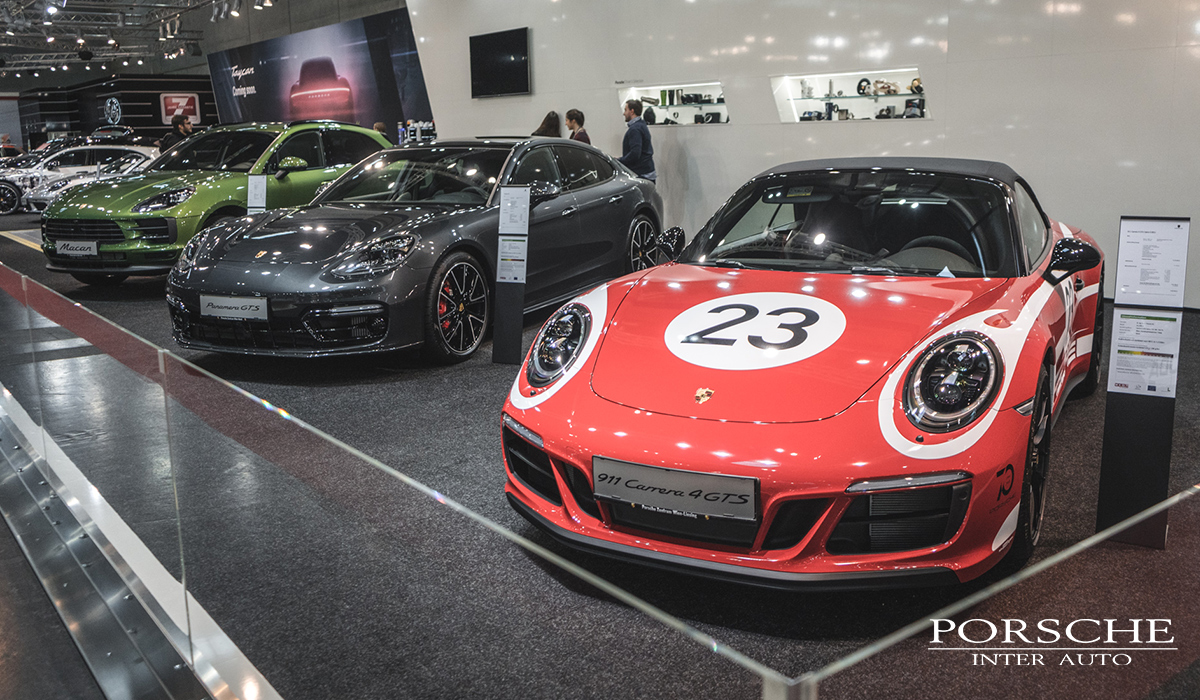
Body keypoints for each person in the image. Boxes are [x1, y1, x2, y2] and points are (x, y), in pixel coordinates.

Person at [618, 99, 655, 182]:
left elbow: (635, 153)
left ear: (632, 111)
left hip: (641, 174)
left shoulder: (635, 129)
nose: (624, 113)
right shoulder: (641, 125)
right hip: (647, 172)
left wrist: (619, 161)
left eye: (625, 110)